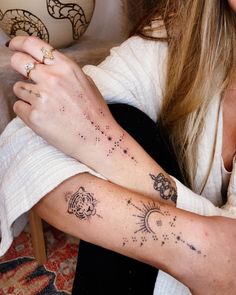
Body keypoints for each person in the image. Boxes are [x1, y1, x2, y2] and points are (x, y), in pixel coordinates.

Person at [0, 0, 236, 294]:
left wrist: (102, 143)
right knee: (125, 119)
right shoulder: (182, 37)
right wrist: (203, 250)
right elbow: (23, 145)